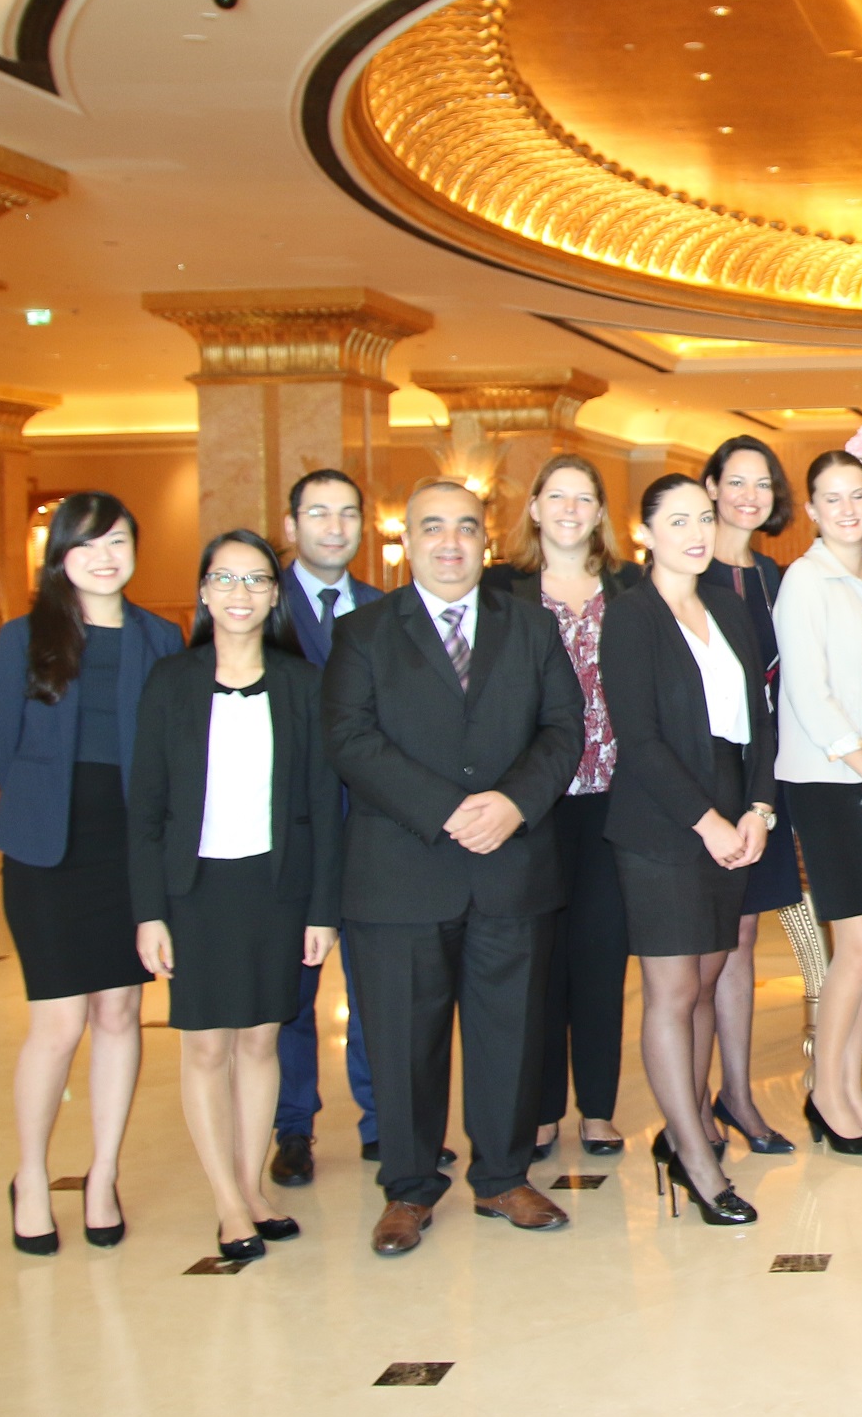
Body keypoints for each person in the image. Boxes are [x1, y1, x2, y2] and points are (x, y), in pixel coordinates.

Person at [322, 478, 585, 1257]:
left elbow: (563, 728)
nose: (449, 542)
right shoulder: (364, 631)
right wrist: (446, 809)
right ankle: (407, 1190)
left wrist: (512, 803)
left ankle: (503, 1177)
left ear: (485, 540)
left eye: (465, 527)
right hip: (402, 872)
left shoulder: (530, 626)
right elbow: (350, 739)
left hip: (511, 864)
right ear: (405, 540)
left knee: (511, 1032)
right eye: (432, 527)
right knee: (404, 1042)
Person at [129, 531, 342, 1259]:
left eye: (255, 580)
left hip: (275, 888)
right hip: (195, 890)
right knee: (205, 1046)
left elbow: (322, 807)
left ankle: (252, 1189)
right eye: (225, 579)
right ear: (203, 592)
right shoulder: (171, 683)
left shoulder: (302, 685)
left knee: (259, 1040)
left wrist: (322, 909)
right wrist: (150, 912)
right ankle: (227, 1202)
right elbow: (146, 809)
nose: (240, 593)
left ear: (274, 595)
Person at [0, 493, 183, 1255]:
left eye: (118, 542)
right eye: (87, 544)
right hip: (48, 852)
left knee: (119, 1014)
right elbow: (2, 750)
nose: (104, 557)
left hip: (129, 851)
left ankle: (103, 1174)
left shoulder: (159, 638)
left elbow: (172, 747)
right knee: (60, 1021)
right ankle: (32, 1176)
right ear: (60, 556)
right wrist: (45, 810)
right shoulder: (23, 638)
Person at [599, 474, 768, 1225]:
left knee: (704, 982)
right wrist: (708, 822)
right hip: (663, 824)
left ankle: (690, 1125)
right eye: (678, 521)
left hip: (732, 810)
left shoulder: (727, 605)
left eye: (704, 518)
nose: (697, 533)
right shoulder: (630, 615)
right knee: (671, 991)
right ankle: (696, 1159)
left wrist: (758, 808)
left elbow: (760, 718)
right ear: (645, 533)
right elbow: (638, 739)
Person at [483, 455, 641, 1161]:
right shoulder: (501, 590)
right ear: (535, 508)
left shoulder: (630, 586)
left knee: (601, 956)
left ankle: (598, 1108)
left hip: (614, 800)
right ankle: (543, 1108)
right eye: (558, 496)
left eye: (585, 498)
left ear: (600, 513)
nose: (571, 509)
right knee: (538, 960)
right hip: (532, 803)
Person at [775, 448, 862, 1153]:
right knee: (857, 943)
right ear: (811, 510)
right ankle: (825, 1093)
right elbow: (808, 690)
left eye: (857, 494)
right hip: (829, 780)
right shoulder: (804, 580)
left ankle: (849, 1089)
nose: (848, 509)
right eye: (832, 498)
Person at [269, 469, 379, 1185]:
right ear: (291, 526)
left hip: (371, 827)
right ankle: (292, 1126)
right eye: (318, 514)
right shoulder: (258, 603)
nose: (334, 528)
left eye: (346, 514)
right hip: (292, 829)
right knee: (292, 989)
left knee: (377, 986)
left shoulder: (387, 609)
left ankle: (384, 1120)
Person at [698, 435, 800, 1153]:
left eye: (762, 484)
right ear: (710, 487)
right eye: (735, 481)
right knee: (695, 951)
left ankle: (736, 1093)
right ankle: (688, 1102)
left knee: (741, 938)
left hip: (763, 780)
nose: (748, 496)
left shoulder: (774, 578)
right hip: (699, 784)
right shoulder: (684, 570)